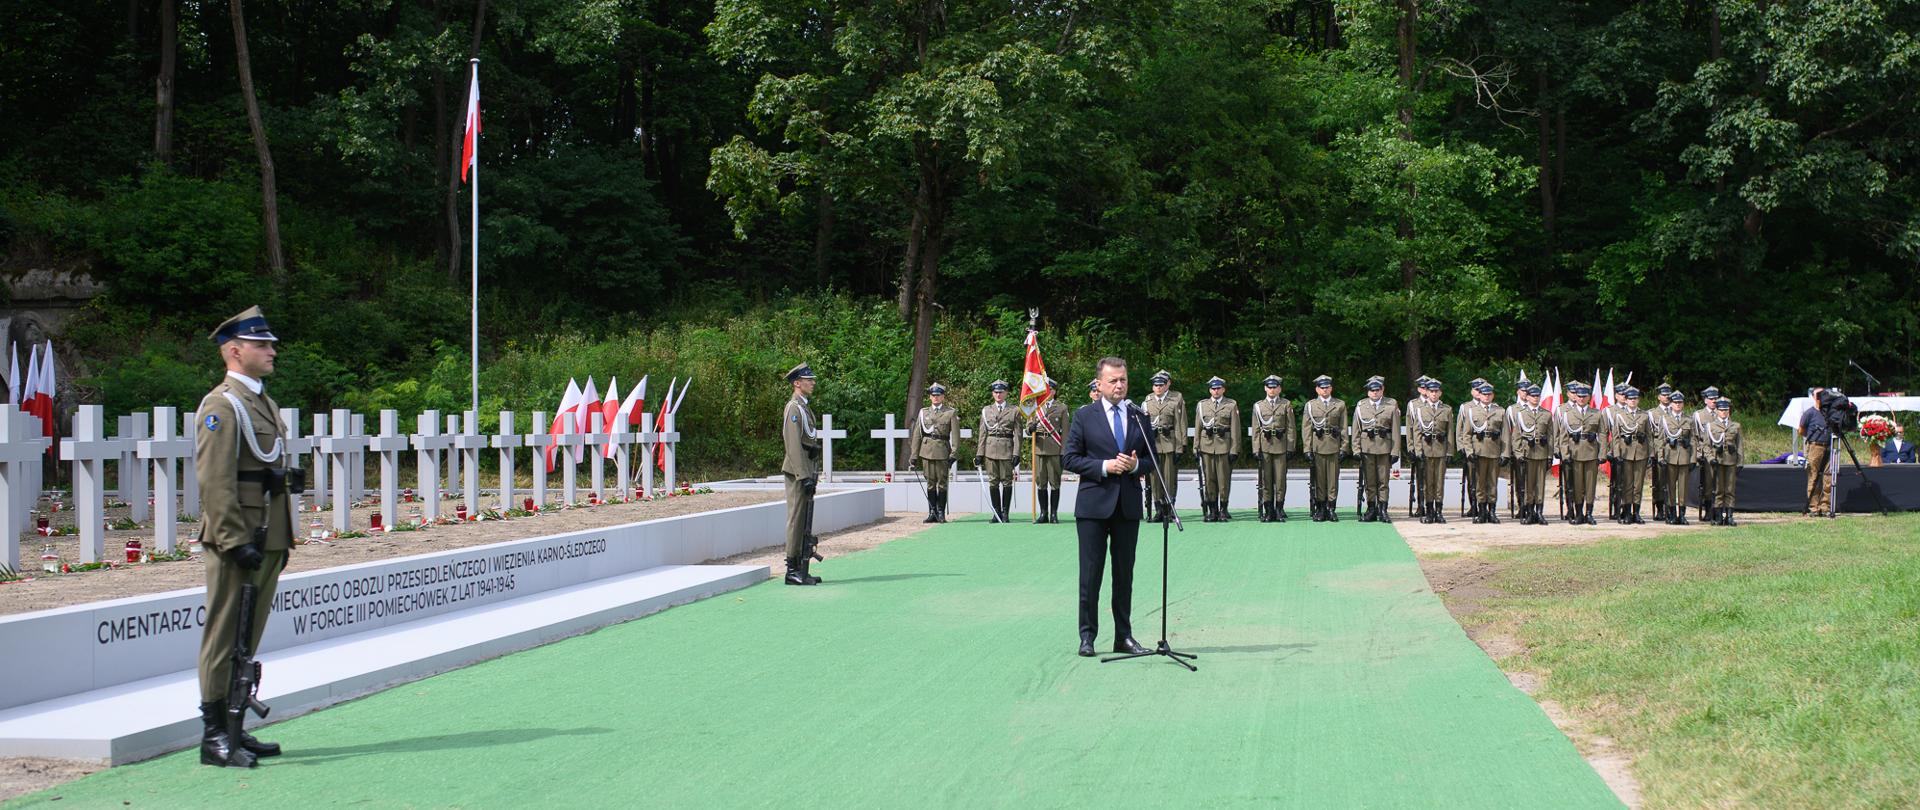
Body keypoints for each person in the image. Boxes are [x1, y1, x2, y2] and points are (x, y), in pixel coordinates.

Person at [194, 306, 295, 768]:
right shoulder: (221, 405)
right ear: (235, 351)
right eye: (262, 344)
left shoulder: (263, 402)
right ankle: (214, 734)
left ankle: (236, 727)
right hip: (239, 539)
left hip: (269, 534)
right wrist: (235, 541)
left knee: (247, 635)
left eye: (270, 344)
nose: (272, 351)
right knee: (224, 635)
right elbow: (215, 481)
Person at [1062, 356, 1156, 657]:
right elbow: (1070, 458)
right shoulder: (1084, 417)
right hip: (1093, 506)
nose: (1119, 385)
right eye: (1113, 380)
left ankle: (1123, 636)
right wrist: (1105, 466)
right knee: (1090, 574)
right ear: (1099, 384)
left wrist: (1132, 466)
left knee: (1123, 574)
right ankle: (1087, 636)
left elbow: (1151, 460)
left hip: (1127, 506)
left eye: (1123, 380)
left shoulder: (1139, 416)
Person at [781, 363, 823, 584]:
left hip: (806, 468)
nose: (812, 383)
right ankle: (792, 569)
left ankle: (800, 567)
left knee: (803, 519)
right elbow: (793, 445)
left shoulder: (804, 407)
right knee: (796, 520)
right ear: (797, 383)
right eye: (808, 380)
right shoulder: (794, 408)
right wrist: (803, 476)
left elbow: (806, 440)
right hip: (798, 471)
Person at [1350, 375, 1401, 522]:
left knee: (1383, 481)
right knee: (1370, 480)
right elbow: (1356, 430)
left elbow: (1396, 430)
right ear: (1368, 392)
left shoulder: (1391, 405)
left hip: (1385, 447)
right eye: (1372, 391)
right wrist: (1356, 449)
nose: (1375, 393)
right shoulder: (1361, 406)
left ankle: (1383, 509)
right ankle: (1371, 508)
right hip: (1367, 448)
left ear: (1382, 390)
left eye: (1377, 390)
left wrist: (1395, 450)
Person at [907, 383, 959, 523]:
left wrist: (954, 453)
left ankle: (941, 512)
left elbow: (955, 435)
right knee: (930, 483)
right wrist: (913, 455)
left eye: (938, 395)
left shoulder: (950, 412)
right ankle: (932, 512)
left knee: (942, 483)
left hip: (942, 450)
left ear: (943, 396)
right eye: (933, 395)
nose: (936, 398)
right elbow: (917, 435)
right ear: (930, 397)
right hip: (927, 451)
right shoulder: (923, 412)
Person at [1141, 371, 1187, 522]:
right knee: (1154, 479)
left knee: (1169, 478)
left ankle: (1170, 509)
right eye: (1156, 385)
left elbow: (1181, 424)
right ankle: (1158, 509)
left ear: (1166, 385)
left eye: (1161, 385)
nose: (1158, 388)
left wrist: (1180, 447)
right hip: (1153, 445)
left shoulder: (1175, 399)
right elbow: (1142, 425)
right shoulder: (1147, 401)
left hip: (1170, 443)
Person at [1555, 382, 1604, 525]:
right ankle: (1579, 513)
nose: (1581, 399)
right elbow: (1563, 437)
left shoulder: (1596, 413)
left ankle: (1589, 513)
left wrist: (1602, 454)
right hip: (1574, 453)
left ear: (1589, 397)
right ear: (1575, 397)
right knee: (1576, 485)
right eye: (1579, 396)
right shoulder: (1567, 414)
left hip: (1591, 452)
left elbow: (1602, 434)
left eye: (1584, 396)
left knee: (1590, 485)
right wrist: (1565, 455)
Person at [1457, 381, 1505, 523]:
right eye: (1484, 394)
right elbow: (1466, 433)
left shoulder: (1500, 411)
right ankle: (1481, 511)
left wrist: (1505, 453)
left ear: (1492, 395)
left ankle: (1492, 512)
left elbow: (1506, 435)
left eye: (1489, 394)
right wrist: (1468, 451)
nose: (1486, 397)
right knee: (1479, 483)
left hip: (1494, 451)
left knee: (1492, 483)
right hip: (1478, 451)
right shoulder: (1471, 411)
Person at [1249, 375, 1295, 522]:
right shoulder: (1259, 406)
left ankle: (1279, 509)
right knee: (1266, 480)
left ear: (1279, 388)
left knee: (1280, 480)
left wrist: (1290, 447)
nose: (1272, 389)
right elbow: (1256, 430)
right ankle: (1268, 510)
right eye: (1269, 387)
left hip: (1281, 447)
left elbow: (1291, 428)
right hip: (1265, 447)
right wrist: (1256, 449)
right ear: (1265, 388)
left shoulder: (1286, 404)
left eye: (1275, 387)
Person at [1194, 377, 1240, 521]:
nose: (1216, 391)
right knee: (1209, 479)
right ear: (1210, 390)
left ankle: (1223, 509)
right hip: (1206, 446)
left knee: (1223, 480)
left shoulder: (1231, 405)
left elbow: (1235, 429)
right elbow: (1198, 428)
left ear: (1223, 389)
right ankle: (1212, 510)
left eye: (1219, 388)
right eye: (1213, 388)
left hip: (1224, 446)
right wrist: (1196, 447)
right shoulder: (1202, 405)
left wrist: (1234, 449)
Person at [1301, 375, 1347, 522]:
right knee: (1319, 479)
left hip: (1333, 445)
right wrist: (1307, 449)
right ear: (1317, 389)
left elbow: (1344, 427)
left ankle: (1331, 508)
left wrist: (1344, 447)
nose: (1325, 390)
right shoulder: (1311, 405)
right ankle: (1320, 508)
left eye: (1327, 387)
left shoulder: (1339, 404)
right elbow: (1306, 428)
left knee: (1332, 479)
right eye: (1322, 387)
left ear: (1331, 388)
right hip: (1318, 445)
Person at [1505, 384, 1552, 525]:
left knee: (1540, 485)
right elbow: (1516, 437)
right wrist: (1519, 455)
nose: (1535, 398)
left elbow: (1550, 436)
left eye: (1538, 396)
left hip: (1542, 453)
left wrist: (1550, 456)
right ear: (1528, 397)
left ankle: (1539, 512)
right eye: (1533, 396)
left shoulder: (1547, 414)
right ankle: (1530, 512)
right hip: (1527, 454)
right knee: (1529, 484)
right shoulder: (1521, 414)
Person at [1407, 377, 1453, 523]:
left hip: (1440, 449)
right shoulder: (1420, 410)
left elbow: (1450, 432)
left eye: (1436, 391)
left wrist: (1450, 451)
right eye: (1431, 391)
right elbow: (1416, 432)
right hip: (1426, 450)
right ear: (1426, 392)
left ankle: (1439, 511)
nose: (1433, 394)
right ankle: (1429, 511)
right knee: (1427, 482)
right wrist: (1418, 451)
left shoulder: (1446, 409)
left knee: (1439, 482)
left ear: (1440, 393)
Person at [1025, 378, 1070, 523]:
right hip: (1038, 447)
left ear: (1054, 391)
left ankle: (1054, 514)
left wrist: (1064, 452)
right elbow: (1028, 427)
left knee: (1055, 482)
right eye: (1044, 390)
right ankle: (1043, 513)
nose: (1046, 392)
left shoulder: (1061, 408)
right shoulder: (1035, 407)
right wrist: (1029, 429)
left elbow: (1066, 433)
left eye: (1049, 389)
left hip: (1054, 448)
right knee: (1040, 481)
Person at [1606, 387, 1653, 524]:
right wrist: (1616, 454)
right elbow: (1615, 437)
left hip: (1640, 452)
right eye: (1630, 399)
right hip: (1625, 453)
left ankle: (1636, 513)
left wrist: (1651, 454)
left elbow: (1649, 436)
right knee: (1627, 484)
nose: (1633, 401)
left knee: (1638, 485)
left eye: (1635, 399)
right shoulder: (1619, 415)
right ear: (1625, 400)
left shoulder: (1644, 415)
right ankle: (1626, 512)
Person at [975, 380, 1020, 523]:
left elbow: (1018, 434)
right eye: (995, 392)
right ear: (992, 393)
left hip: (1007, 448)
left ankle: (1005, 513)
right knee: (993, 482)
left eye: (1001, 392)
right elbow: (982, 433)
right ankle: (996, 512)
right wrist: (979, 453)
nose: (998, 394)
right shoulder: (986, 410)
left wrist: (1016, 453)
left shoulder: (1014, 410)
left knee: (1007, 482)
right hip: (990, 449)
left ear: (1006, 393)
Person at [1700, 398, 1744, 525]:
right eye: (1721, 410)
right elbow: (1706, 445)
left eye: (1726, 410)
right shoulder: (1711, 426)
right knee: (1718, 489)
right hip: (1717, 462)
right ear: (1717, 411)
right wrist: (1710, 458)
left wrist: (1740, 462)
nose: (1724, 412)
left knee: (1730, 489)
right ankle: (1718, 515)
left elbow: (1740, 445)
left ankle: (1729, 516)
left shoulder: (1735, 426)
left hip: (1731, 461)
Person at [1655, 391, 1696, 525]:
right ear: (1671, 404)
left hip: (1684, 455)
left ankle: (1682, 515)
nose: (1677, 405)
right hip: (1670, 456)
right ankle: (1671, 513)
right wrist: (1660, 457)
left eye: (1680, 402)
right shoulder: (1665, 419)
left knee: (1683, 488)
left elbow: (1694, 441)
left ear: (1683, 404)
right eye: (1675, 402)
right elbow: (1660, 440)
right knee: (1670, 486)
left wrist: (1693, 458)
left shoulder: (1689, 420)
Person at [1798, 387, 1834, 518]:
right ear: (1813, 397)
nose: (1820, 397)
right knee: (1813, 476)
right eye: (1818, 395)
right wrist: (1813, 437)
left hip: (1828, 446)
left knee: (1828, 477)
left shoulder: (1829, 412)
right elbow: (1801, 430)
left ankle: (1825, 506)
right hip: (1815, 446)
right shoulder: (1809, 413)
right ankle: (1814, 507)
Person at [1650, 384, 1674, 519]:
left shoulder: (1675, 411)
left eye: (1668, 395)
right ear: (1659, 397)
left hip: (1673, 451)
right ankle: (1659, 508)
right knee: (1659, 481)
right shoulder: (1653, 413)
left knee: (1670, 481)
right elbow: (1650, 435)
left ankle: (1670, 506)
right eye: (1664, 395)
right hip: (1658, 450)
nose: (1667, 397)